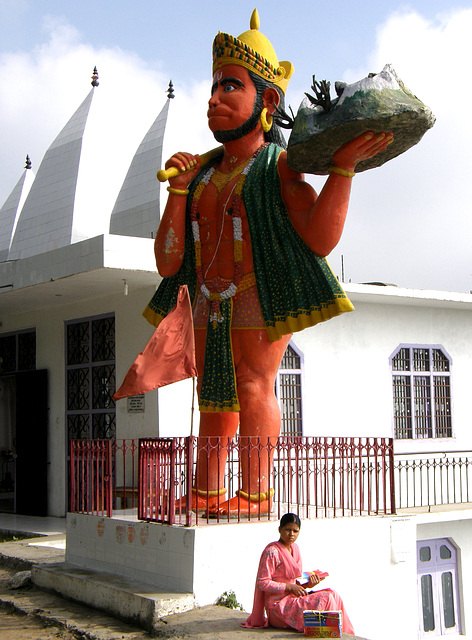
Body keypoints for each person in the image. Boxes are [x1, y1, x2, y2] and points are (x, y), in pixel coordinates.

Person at [144, 10, 393, 515]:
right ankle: (209, 487)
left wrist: (342, 170)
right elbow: (169, 264)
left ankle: (255, 495)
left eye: (229, 87)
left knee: (254, 384)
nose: (213, 99)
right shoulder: (199, 175)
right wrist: (177, 191)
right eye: (212, 89)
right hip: (208, 300)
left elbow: (319, 240)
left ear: (268, 100)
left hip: (259, 293)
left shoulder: (277, 167)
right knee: (214, 394)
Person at [242, 513, 355, 634]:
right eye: (288, 530)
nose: (291, 534)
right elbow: (262, 582)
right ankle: (327, 632)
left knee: (334, 594)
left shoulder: (295, 549)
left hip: (293, 599)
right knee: (326, 598)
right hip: (278, 607)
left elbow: (295, 582)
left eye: (295, 531)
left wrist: (308, 585)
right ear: (279, 529)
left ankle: (344, 633)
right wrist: (289, 587)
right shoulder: (272, 552)